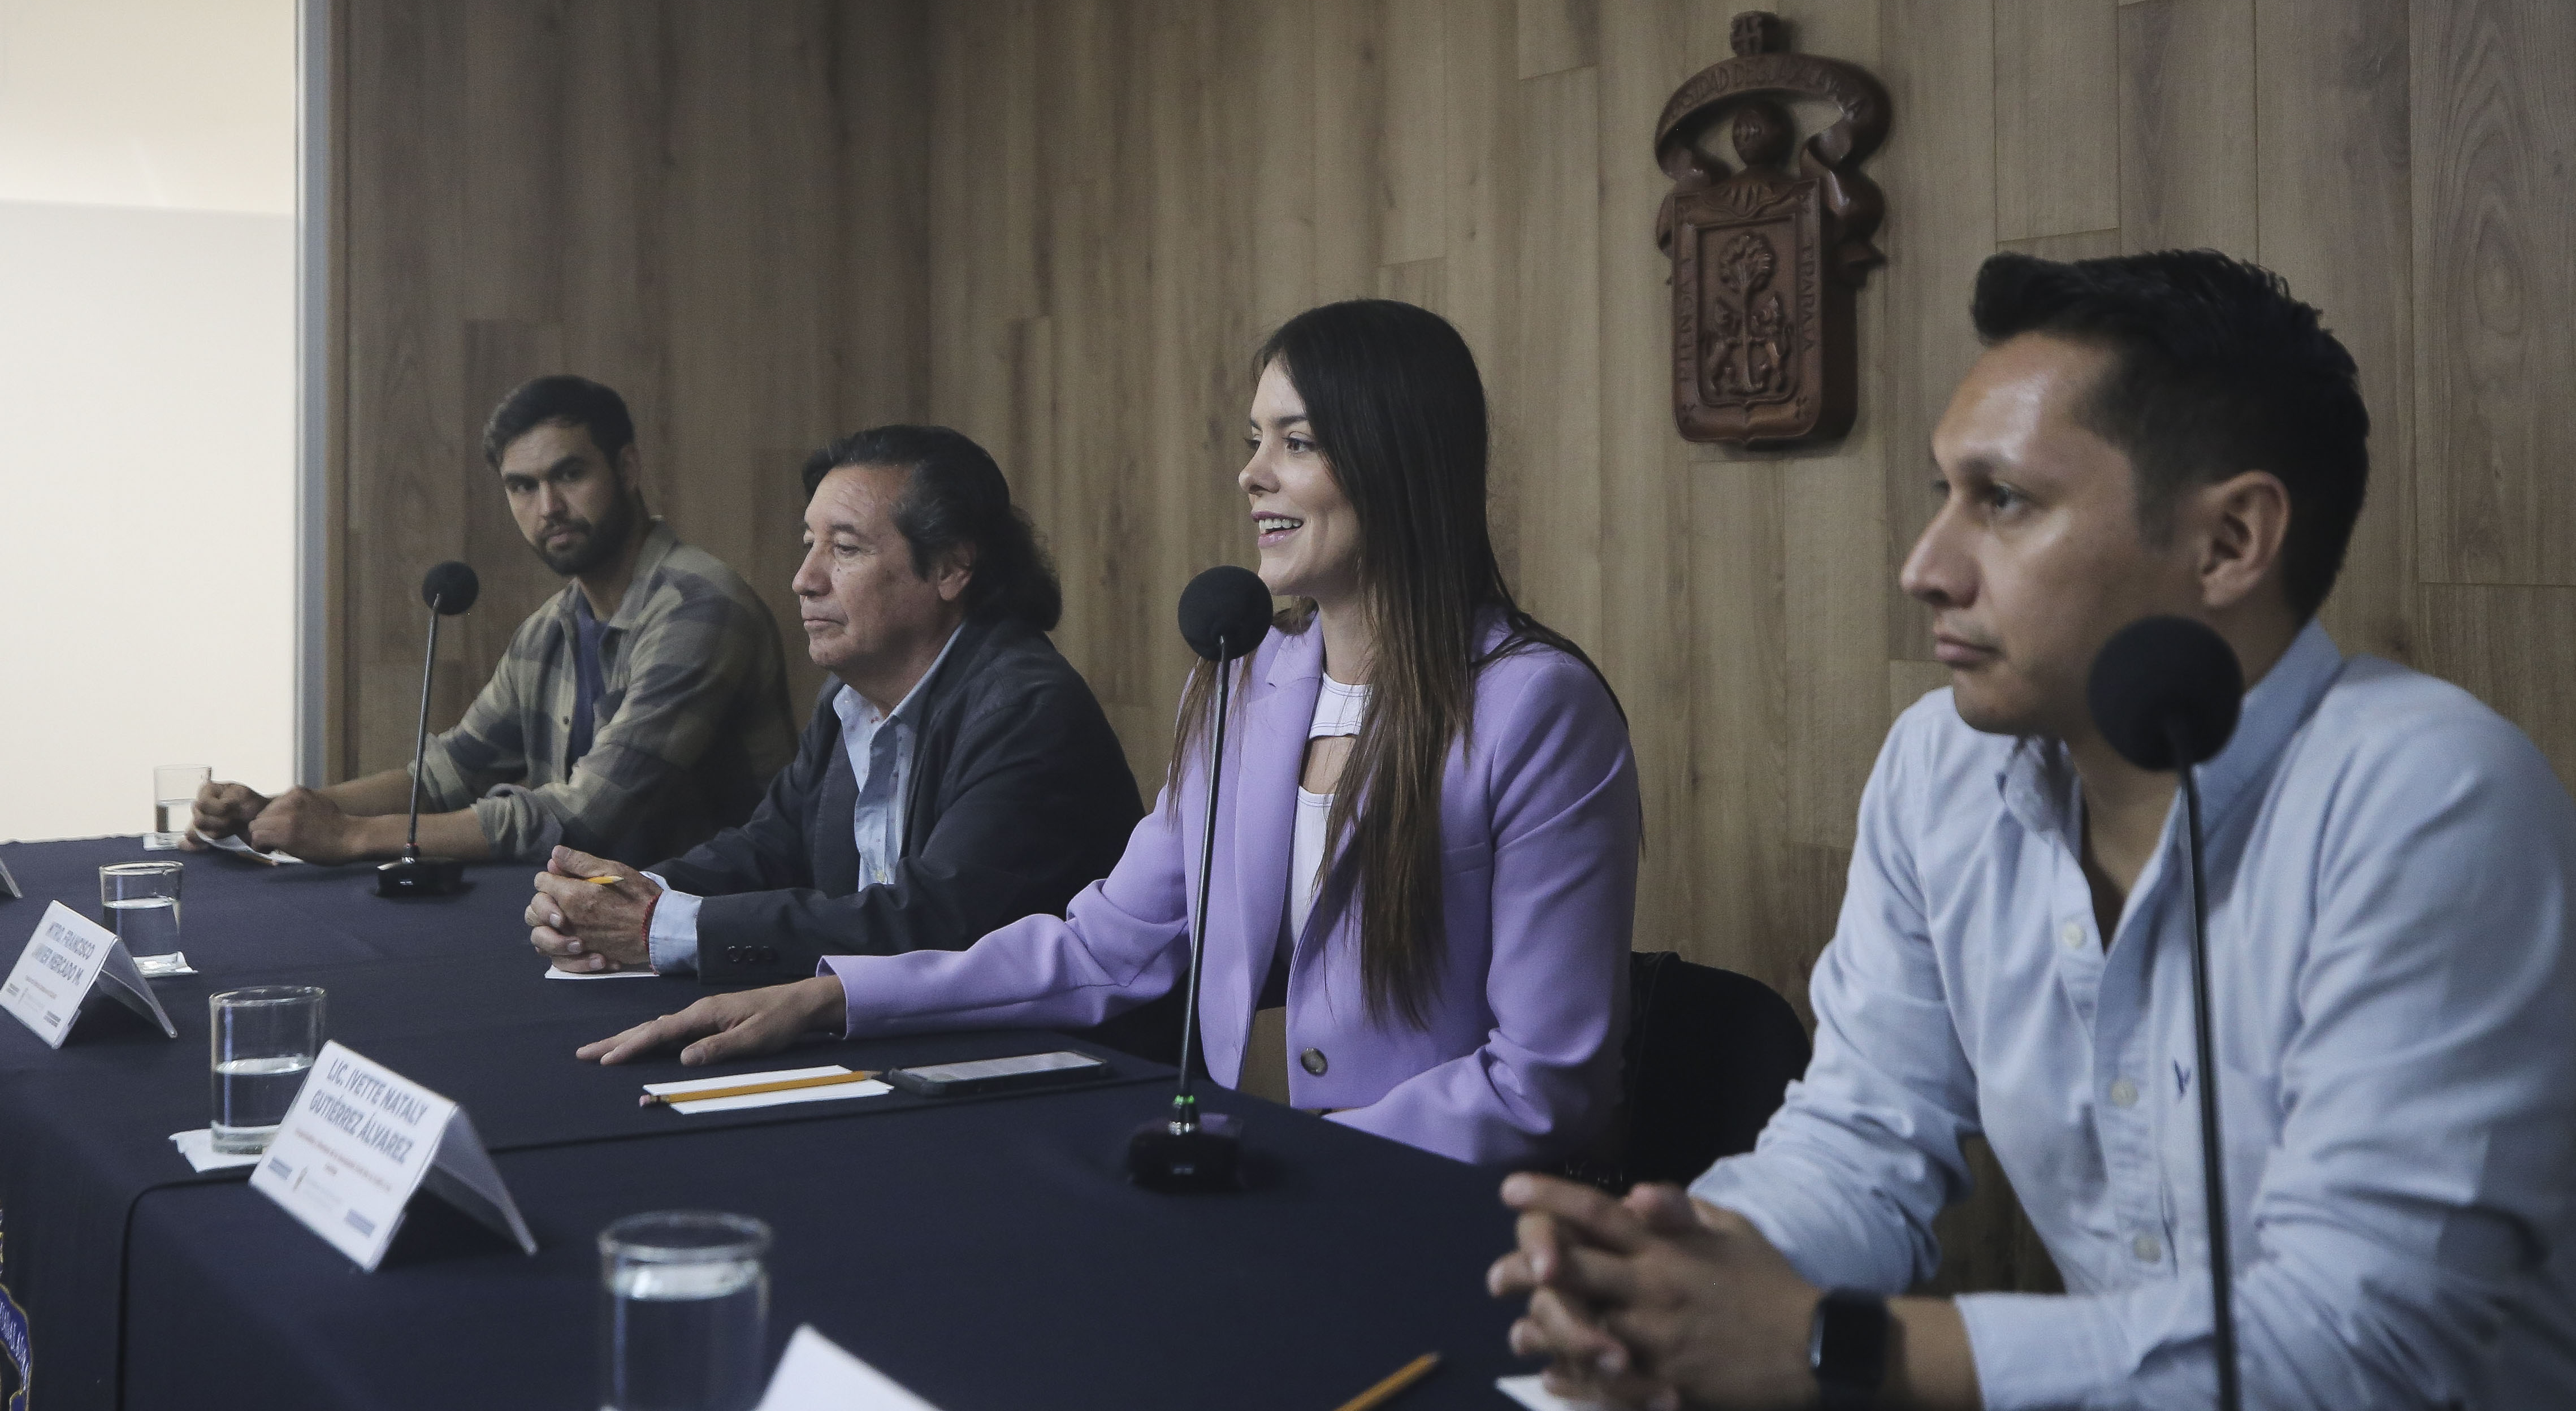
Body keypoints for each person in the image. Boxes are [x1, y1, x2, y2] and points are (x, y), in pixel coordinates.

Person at [1490, 252, 2576, 1410]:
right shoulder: (1938, 767)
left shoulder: (2429, 796)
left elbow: (2363, 1345)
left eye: (2001, 500)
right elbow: (1858, 1140)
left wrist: (1824, 1343)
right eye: (1941, 494)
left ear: (2227, 541)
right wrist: (1669, 1276)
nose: (1924, 566)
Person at [576, 300, 1642, 1166]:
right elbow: (1101, 948)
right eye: (1253, 441)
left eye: (1297, 442)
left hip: (1431, 1208)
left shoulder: (1536, 707)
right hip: (1256, 1172)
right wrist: (834, 996)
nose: (1252, 474)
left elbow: (1541, 1079)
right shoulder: (1242, 680)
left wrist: (1297, 1157)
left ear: (1398, 463)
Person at [522, 425, 1145, 985]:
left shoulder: (1025, 710)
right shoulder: (852, 697)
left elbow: (935, 923)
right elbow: (768, 849)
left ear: (951, 567)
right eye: (809, 543)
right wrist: (620, 897)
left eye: (844, 549)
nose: (804, 578)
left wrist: (659, 927)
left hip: (1052, 1056)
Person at [192, 376, 796, 869]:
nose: (548, 507)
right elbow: (445, 776)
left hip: (710, 930)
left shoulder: (700, 608)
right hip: (589, 925)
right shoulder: (549, 629)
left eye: (570, 475)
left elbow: (586, 817)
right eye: (522, 487)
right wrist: (280, 810)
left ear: (628, 467)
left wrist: (351, 835)